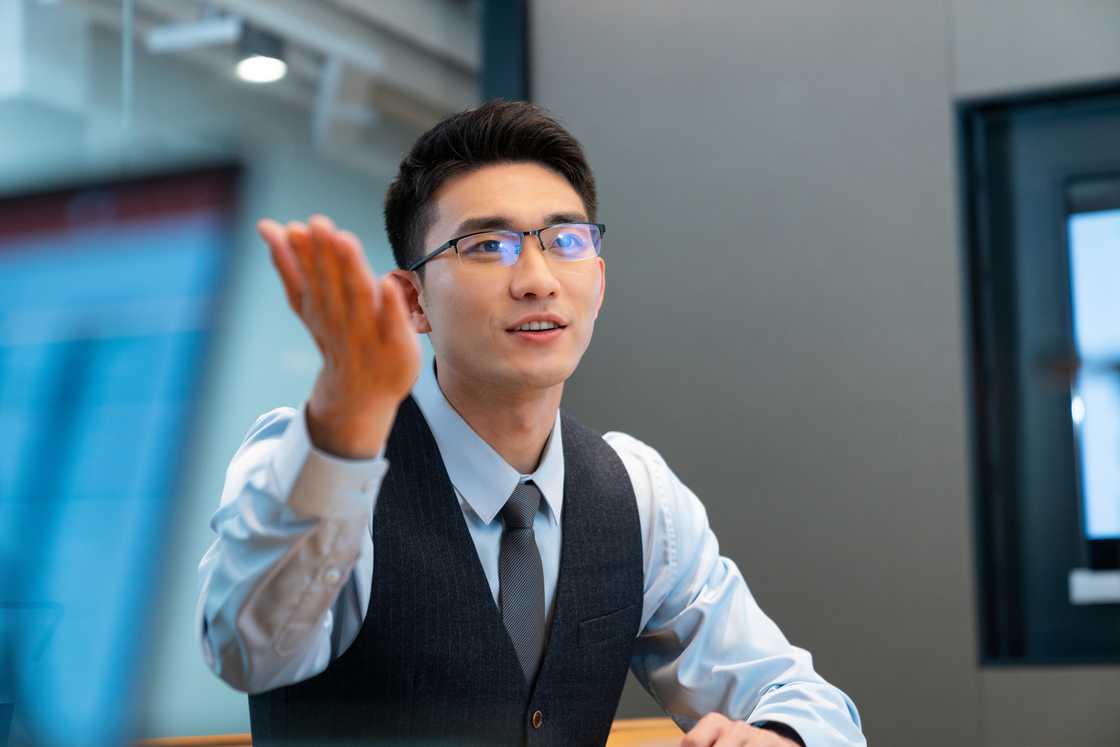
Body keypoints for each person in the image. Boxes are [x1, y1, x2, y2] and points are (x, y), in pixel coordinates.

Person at [196, 100, 866, 747]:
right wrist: (345, 421)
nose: (538, 279)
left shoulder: (634, 493)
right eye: (488, 245)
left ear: (598, 282)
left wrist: (780, 736)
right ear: (412, 300)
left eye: (566, 241)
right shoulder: (318, 458)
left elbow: (802, 698)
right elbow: (248, 649)